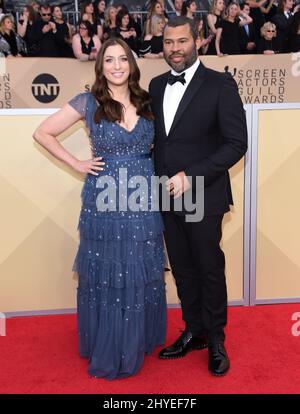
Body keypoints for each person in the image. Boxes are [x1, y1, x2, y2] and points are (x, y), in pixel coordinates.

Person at [33, 37, 167, 380]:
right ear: (101, 66)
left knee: (137, 265)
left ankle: (137, 338)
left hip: (142, 197)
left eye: (123, 59)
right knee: (110, 268)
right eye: (110, 60)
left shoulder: (147, 100)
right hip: (104, 201)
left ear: (132, 64)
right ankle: (109, 342)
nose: (118, 66)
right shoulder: (88, 101)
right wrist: (76, 162)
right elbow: (43, 132)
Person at [149, 16, 248, 376]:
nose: (174, 49)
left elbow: (237, 143)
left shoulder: (220, 84)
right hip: (165, 196)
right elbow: (158, 141)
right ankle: (194, 330)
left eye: (182, 41)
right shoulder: (157, 85)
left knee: (208, 268)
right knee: (183, 269)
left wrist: (191, 176)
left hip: (203, 195)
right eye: (169, 42)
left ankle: (216, 338)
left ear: (198, 41)